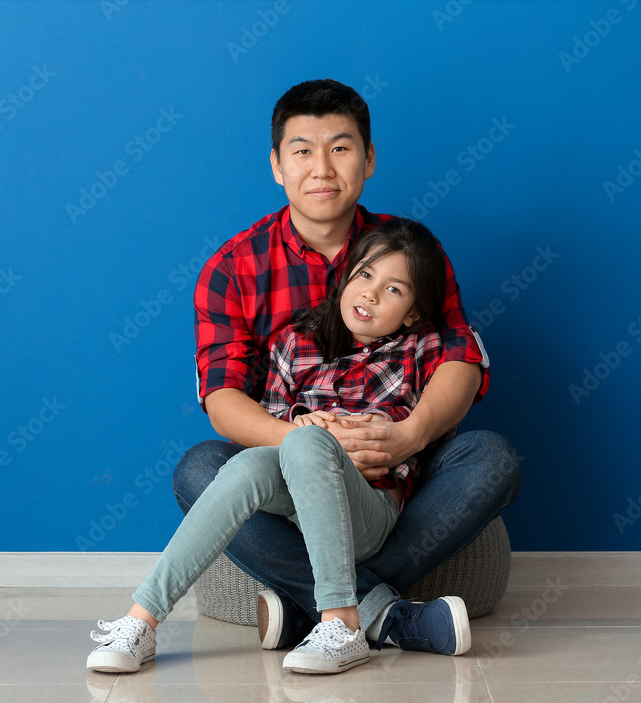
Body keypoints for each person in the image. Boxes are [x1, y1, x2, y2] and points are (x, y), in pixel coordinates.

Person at [175, 79, 521, 656]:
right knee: (199, 469)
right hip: (288, 467)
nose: (322, 169)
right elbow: (222, 398)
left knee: (492, 459)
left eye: (340, 148)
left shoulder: (410, 251)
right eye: (303, 151)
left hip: (399, 475)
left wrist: (407, 436)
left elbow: (462, 358)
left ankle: (311, 609)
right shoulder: (232, 268)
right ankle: (384, 613)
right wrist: (304, 443)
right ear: (277, 165)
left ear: (368, 158)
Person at [87, 219, 467, 674]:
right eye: (365, 276)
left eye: (393, 290)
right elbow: (269, 421)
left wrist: (392, 435)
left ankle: (342, 623)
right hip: (297, 498)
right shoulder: (295, 342)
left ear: (411, 313)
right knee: (248, 465)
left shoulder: (421, 349)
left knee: (312, 443)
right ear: (346, 277)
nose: (370, 294)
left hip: (370, 507)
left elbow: (459, 384)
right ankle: (141, 621)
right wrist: (300, 426)